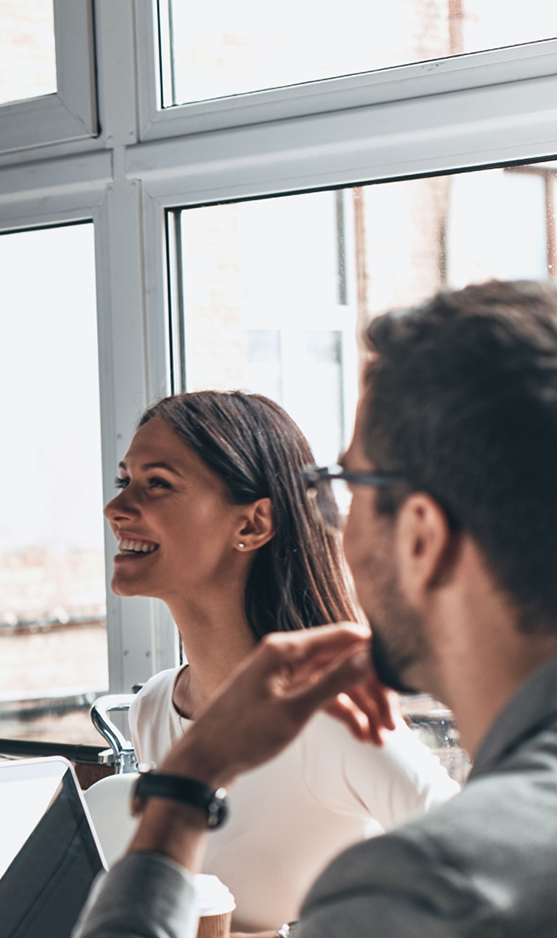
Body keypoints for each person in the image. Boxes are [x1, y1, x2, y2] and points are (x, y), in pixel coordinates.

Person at [74, 279, 557, 938]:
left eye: (345, 485)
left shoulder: (426, 880)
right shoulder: (158, 705)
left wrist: (183, 794)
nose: (330, 521)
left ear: (421, 535)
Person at [104, 391, 456, 931]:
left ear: (252, 524)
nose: (117, 508)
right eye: (124, 481)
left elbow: (480, 871)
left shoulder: (333, 721)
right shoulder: (154, 707)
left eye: (158, 484)